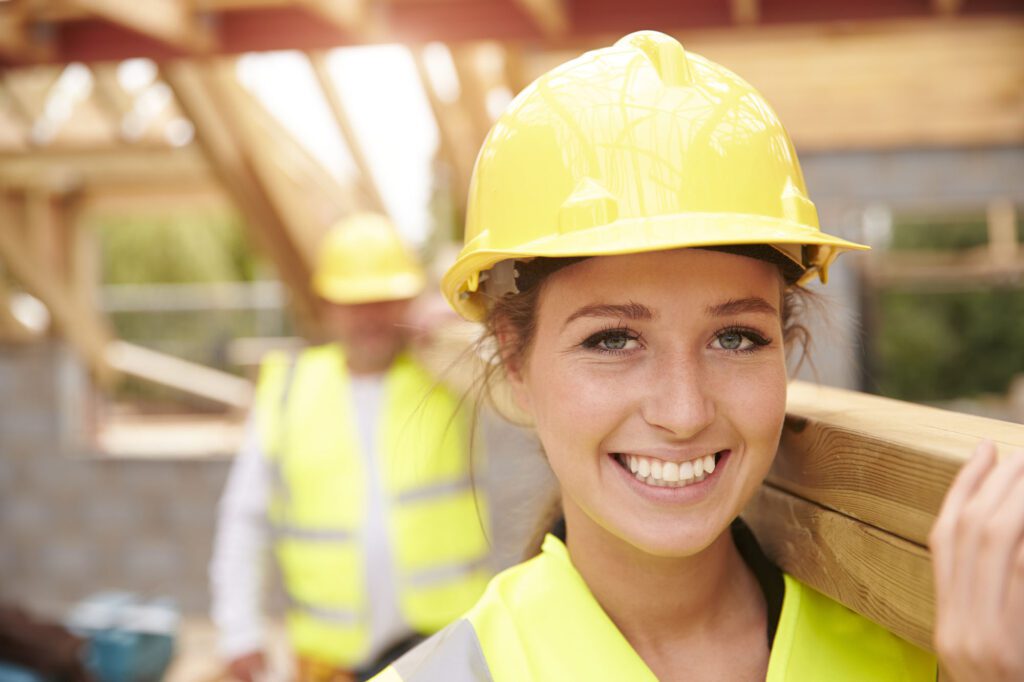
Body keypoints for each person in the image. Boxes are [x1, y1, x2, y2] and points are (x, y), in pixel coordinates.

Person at [371, 31, 1024, 681]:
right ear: (516, 362)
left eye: (735, 338)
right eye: (612, 340)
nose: (683, 413)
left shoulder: (926, 657)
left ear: (787, 346)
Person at [210, 213, 492, 682]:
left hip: (442, 651)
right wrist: (238, 629)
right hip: (329, 661)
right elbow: (245, 517)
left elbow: (515, 363)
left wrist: (463, 318)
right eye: (354, 301)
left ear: (409, 299)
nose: (371, 316)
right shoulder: (289, 387)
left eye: (385, 299)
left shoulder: (446, 373)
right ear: (325, 305)